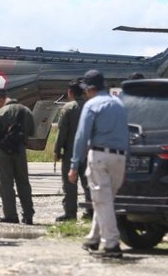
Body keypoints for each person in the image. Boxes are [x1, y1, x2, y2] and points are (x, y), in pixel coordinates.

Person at [68, 69, 129, 258]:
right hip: (120, 157)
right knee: (104, 199)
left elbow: (81, 136)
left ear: (89, 89)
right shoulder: (119, 104)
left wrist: (74, 165)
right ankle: (93, 239)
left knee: (102, 200)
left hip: (100, 155)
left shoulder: (92, 105)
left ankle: (111, 244)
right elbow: (126, 134)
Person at [0, 89, 34, 225]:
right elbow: (32, 131)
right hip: (20, 150)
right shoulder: (26, 111)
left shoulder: (0, 113)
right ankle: (28, 215)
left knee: (5, 184)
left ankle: (10, 215)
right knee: (23, 182)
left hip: (4, 151)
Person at [54, 80, 92, 222]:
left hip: (71, 151)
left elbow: (62, 131)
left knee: (69, 184)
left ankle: (70, 213)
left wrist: (57, 150)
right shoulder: (90, 106)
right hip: (89, 151)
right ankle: (90, 211)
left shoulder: (68, 108)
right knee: (88, 182)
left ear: (70, 92)